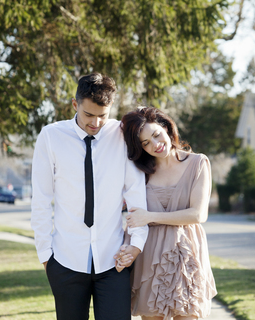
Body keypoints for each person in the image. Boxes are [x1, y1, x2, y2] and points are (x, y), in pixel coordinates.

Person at [31, 73, 149, 320]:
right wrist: (46, 256)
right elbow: (41, 199)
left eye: (102, 116)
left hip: (114, 261)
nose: (95, 123)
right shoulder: (51, 137)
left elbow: (136, 195)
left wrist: (137, 244)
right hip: (65, 260)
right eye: (89, 115)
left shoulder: (122, 135)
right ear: (75, 105)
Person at [116, 107, 217, 320]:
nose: (155, 145)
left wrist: (150, 217)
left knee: (188, 314)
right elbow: (133, 214)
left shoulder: (198, 163)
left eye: (156, 135)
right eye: (145, 143)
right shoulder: (139, 171)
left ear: (166, 127)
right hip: (149, 256)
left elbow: (198, 215)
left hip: (186, 252)